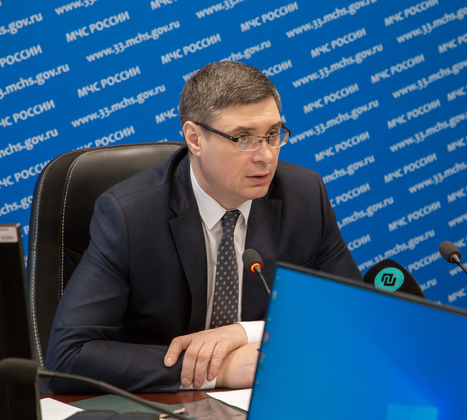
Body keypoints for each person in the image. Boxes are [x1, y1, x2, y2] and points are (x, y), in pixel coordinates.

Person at [45, 61, 363, 394]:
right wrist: (219, 371)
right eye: (244, 139)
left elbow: (355, 317)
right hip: (161, 406)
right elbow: (67, 358)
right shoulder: (129, 215)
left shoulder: (304, 196)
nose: (266, 157)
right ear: (194, 139)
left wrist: (246, 332)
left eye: (272, 135)